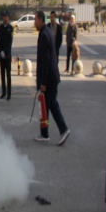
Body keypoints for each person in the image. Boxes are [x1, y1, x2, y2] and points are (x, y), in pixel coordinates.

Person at [34, 11, 71, 145]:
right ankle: (47, 132)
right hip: (52, 77)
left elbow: (45, 62)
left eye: (35, 20)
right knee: (50, 104)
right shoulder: (46, 31)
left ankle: (61, 130)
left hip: (49, 79)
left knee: (48, 105)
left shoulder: (44, 35)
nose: (34, 23)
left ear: (41, 20)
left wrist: (43, 82)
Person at [0, 10, 14, 100]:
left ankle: (9, 94)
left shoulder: (10, 28)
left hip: (7, 56)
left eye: (6, 17)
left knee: (8, 75)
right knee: (2, 74)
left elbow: (10, 43)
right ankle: (3, 92)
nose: (4, 18)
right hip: (2, 55)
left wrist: (5, 52)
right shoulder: (1, 27)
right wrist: (1, 52)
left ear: (8, 18)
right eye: (3, 17)